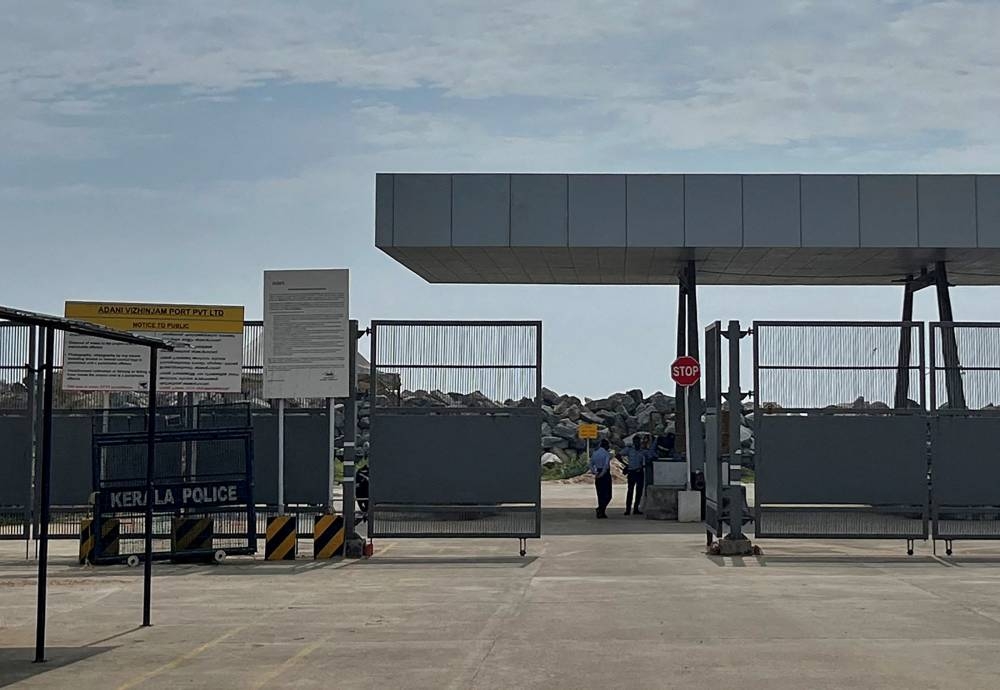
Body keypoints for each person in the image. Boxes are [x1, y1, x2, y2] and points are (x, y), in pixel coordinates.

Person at [590, 439, 613, 519]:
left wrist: (594, 472)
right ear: (606, 446)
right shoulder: (607, 454)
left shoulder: (595, 453)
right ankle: (601, 510)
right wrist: (602, 474)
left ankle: (601, 511)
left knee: (600, 494)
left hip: (598, 472)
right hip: (605, 475)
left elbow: (590, 463)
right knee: (608, 495)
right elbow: (606, 466)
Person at [622, 437, 645, 516]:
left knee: (639, 492)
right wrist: (626, 465)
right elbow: (618, 455)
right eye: (635, 441)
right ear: (633, 442)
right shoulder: (629, 449)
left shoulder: (643, 451)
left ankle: (636, 508)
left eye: (638, 441)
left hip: (639, 472)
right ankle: (628, 509)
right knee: (630, 491)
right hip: (631, 471)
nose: (637, 443)